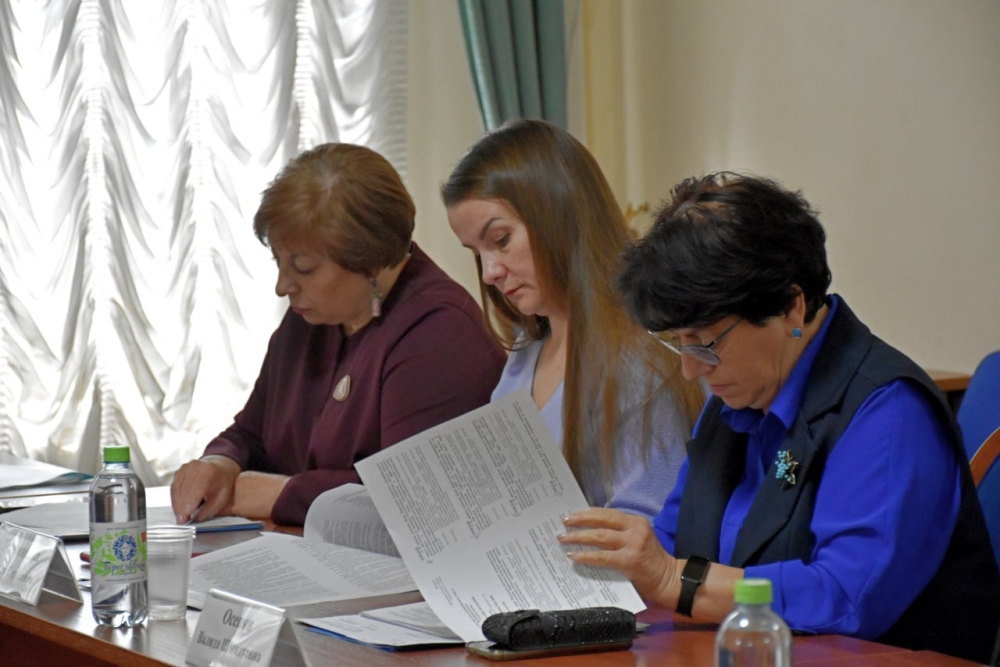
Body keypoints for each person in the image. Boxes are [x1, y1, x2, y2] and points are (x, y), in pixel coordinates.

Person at [558, 172, 1000, 663]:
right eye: (677, 342)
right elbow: (673, 539)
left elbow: (845, 596)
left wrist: (670, 578)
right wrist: (609, 560)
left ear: (790, 307)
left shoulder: (888, 412)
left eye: (705, 341)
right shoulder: (734, 398)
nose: (690, 369)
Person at [171, 143, 506, 526]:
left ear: (371, 260)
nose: (282, 286)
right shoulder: (308, 319)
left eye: (304, 268)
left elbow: (414, 495)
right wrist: (220, 463)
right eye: (279, 261)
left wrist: (285, 494)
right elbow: (251, 432)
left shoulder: (440, 331)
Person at [442, 119, 705, 520]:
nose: (489, 273)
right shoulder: (526, 353)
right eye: (477, 253)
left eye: (500, 240)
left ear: (559, 216)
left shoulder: (638, 364)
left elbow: (645, 530)